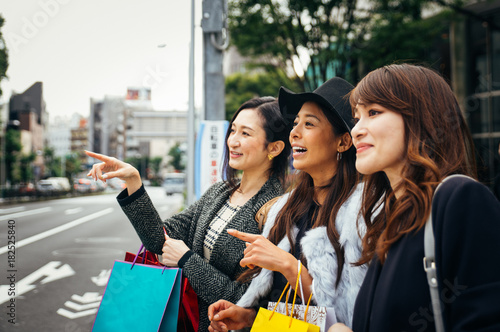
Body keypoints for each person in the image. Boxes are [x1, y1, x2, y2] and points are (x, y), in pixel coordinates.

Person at [85, 96, 291, 332]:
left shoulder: (278, 211)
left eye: (245, 134)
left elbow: (247, 302)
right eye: (232, 130)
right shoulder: (219, 192)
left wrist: (187, 261)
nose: (232, 141)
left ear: (274, 147)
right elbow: (157, 240)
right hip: (186, 322)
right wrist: (134, 182)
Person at [329, 64, 500, 332]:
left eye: (373, 112)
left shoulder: (460, 200)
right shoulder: (388, 219)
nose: (357, 130)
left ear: (421, 118)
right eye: (356, 118)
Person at [208, 77, 367, 331]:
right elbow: (290, 310)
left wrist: (288, 264)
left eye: (309, 124)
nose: (294, 132)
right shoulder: (285, 208)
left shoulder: (361, 216)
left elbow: (345, 319)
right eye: (295, 123)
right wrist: (248, 318)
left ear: (343, 142)